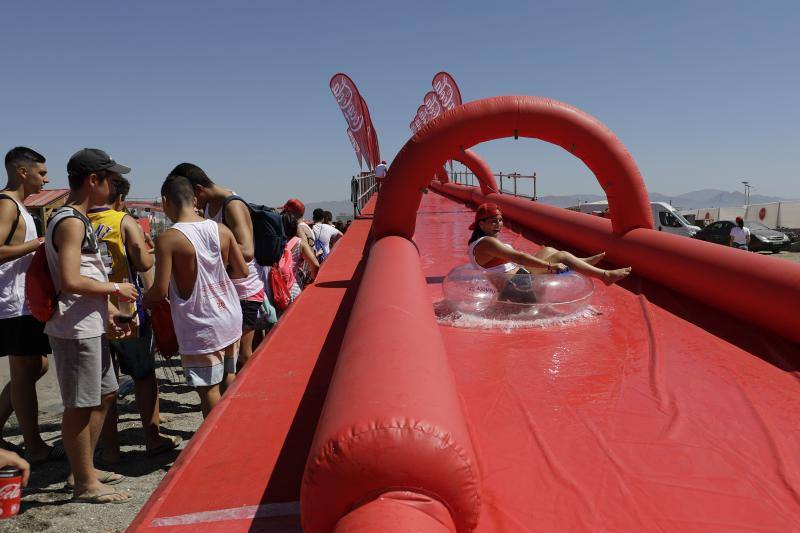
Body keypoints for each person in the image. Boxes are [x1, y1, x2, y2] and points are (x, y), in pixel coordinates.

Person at [45, 148, 138, 504]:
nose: (115, 187)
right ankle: (83, 481)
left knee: (105, 394)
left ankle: (84, 469)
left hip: (88, 323)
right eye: (111, 180)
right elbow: (70, 279)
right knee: (80, 404)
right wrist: (116, 288)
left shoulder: (77, 219)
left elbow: (86, 273)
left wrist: (109, 309)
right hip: (75, 328)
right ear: (93, 180)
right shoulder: (70, 221)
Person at [88, 175, 180, 463]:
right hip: (126, 311)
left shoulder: (76, 220)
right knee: (142, 375)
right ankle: (152, 438)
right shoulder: (122, 221)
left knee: (105, 385)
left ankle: (110, 448)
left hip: (92, 312)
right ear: (119, 198)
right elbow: (143, 263)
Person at [144, 175, 246, 418]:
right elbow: (242, 270)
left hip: (200, 323)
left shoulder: (168, 238)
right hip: (229, 315)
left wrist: (142, 302)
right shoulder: (221, 229)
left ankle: (216, 441)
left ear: (165, 201)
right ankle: (232, 424)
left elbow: (159, 291)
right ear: (193, 199)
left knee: (208, 389)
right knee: (228, 376)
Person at [0, 147, 63, 465]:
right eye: (41, 172)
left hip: (22, 302)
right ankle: (35, 446)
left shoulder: (18, 206)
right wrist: (38, 244)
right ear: (22, 172)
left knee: (37, 367)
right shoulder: (6, 204)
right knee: (25, 371)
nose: (46, 178)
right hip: (12, 304)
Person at [173, 163, 264, 372]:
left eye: (188, 196)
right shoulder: (207, 206)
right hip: (228, 290)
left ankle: (247, 396)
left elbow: (247, 250)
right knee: (228, 356)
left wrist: (207, 255)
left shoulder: (231, 205)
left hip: (245, 291)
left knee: (242, 354)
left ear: (197, 190)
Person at [468, 203, 632, 302]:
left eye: (500, 220)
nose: (498, 224)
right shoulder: (488, 243)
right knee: (560, 257)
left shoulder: (480, 242)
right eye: (493, 221)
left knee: (548, 250)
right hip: (518, 289)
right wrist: (550, 265)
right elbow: (520, 257)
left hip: (518, 280)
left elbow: (514, 262)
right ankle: (605, 276)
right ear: (481, 225)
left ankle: (581, 262)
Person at [278, 209, 319, 300]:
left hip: (277, 289)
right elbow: (315, 265)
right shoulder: (300, 243)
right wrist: (312, 280)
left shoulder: (275, 243)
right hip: (293, 288)